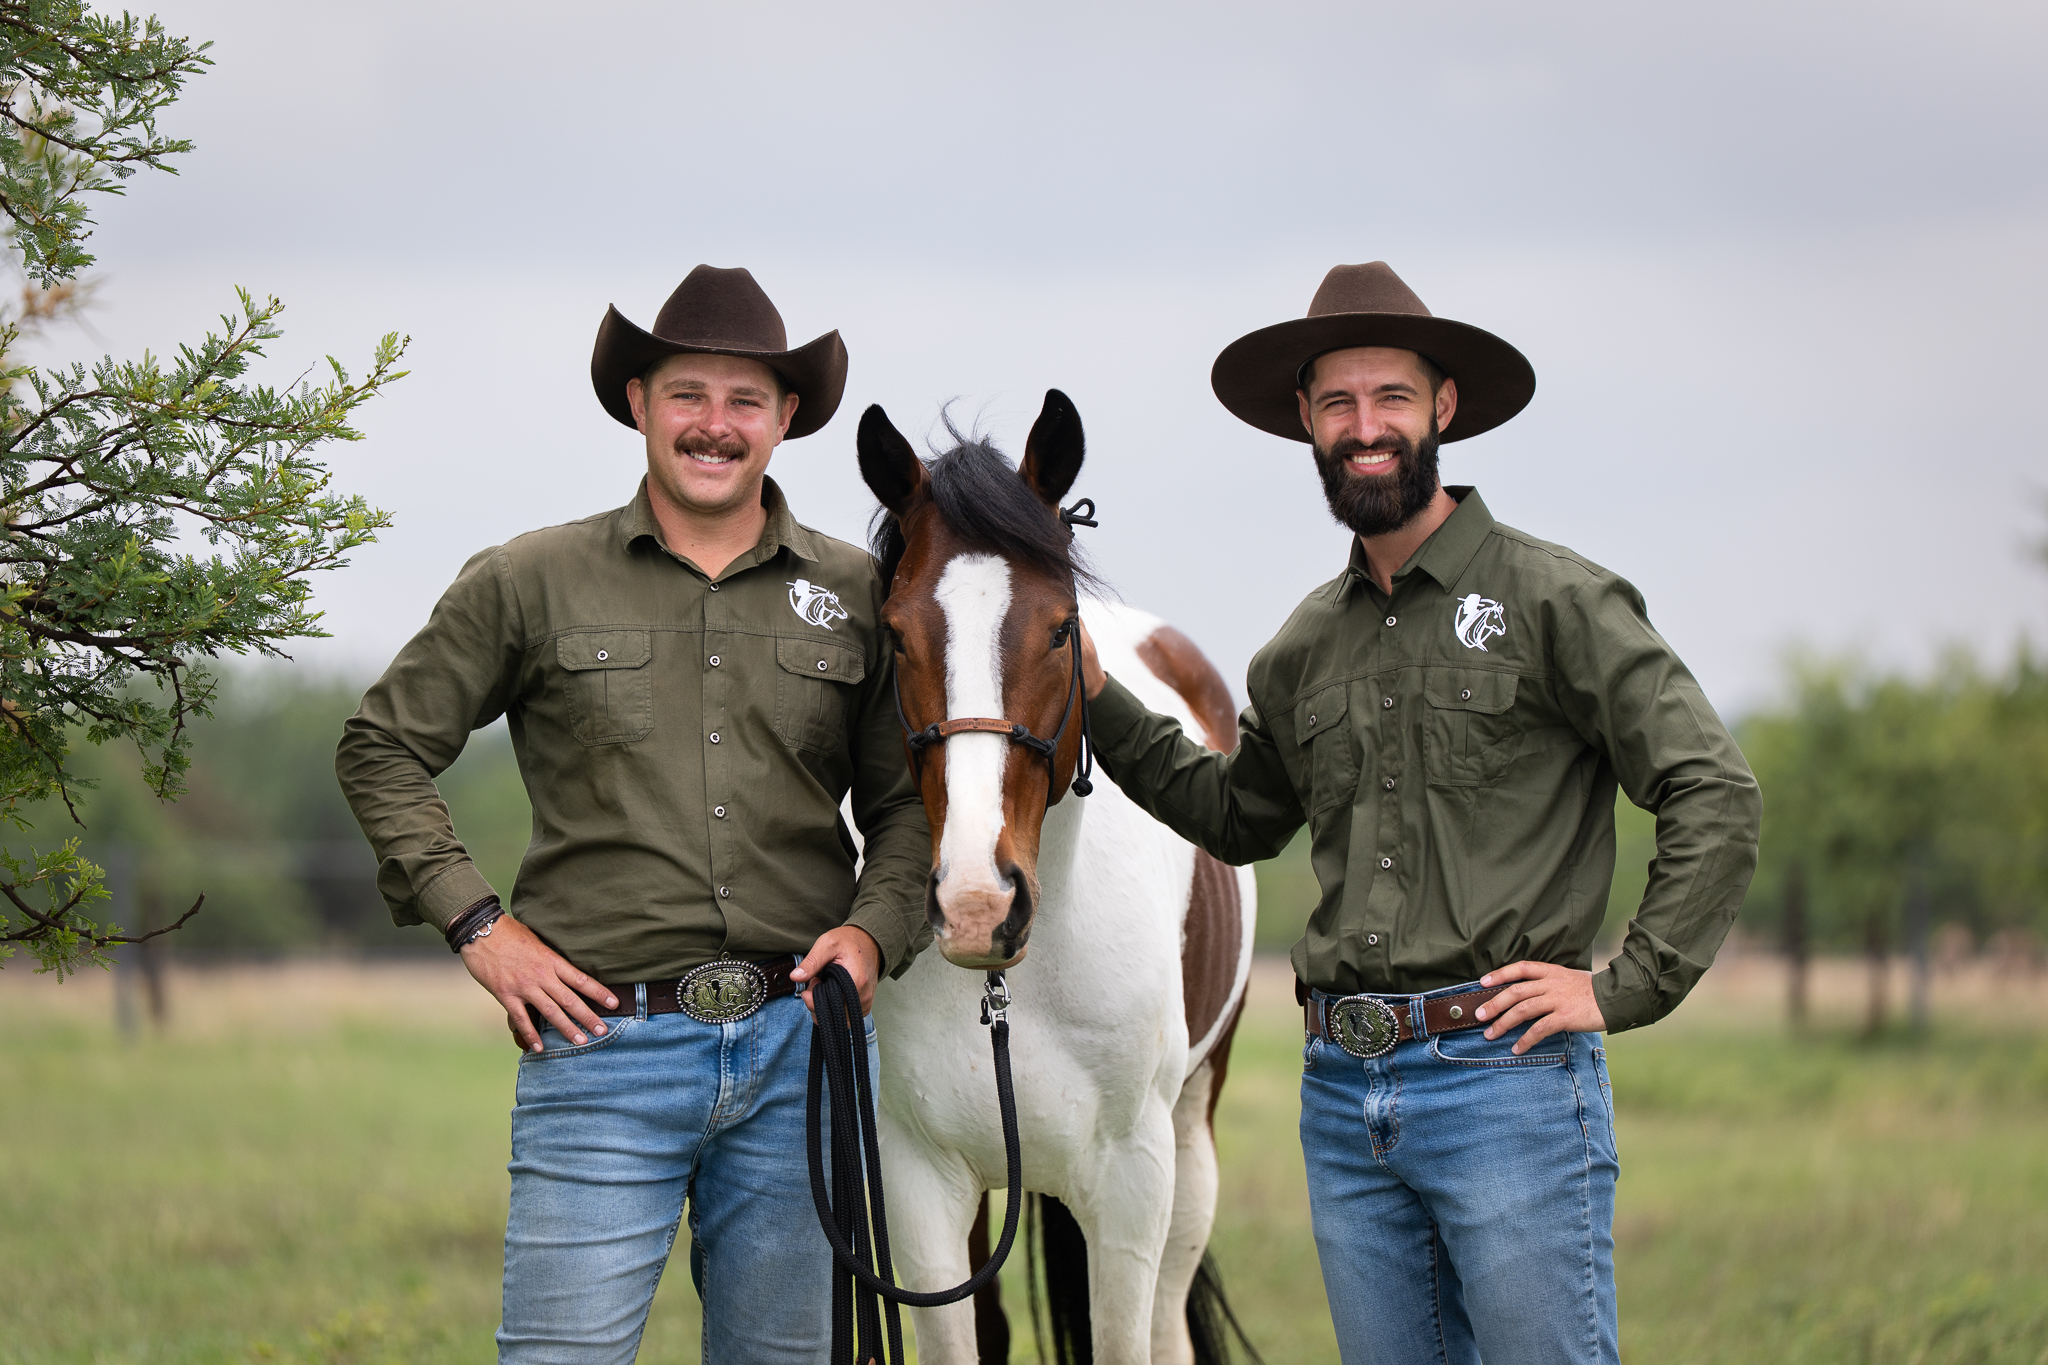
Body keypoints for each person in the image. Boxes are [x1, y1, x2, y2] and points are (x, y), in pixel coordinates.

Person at [1076, 261, 1761, 1364]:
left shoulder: (1554, 600)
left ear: (1442, 407)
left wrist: (1624, 985)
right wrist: (1092, 695)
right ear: (1304, 421)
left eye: (1390, 398)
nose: (1365, 427)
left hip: (1507, 1081)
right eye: (1337, 404)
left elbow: (1710, 789)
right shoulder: (1302, 649)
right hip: (1343, 1096)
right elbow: (1239, 817)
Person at [335, 265, 930, 1364]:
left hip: (804, 1052)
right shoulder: (528, 580)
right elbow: (382, 748)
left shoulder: (858, 593)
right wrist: (479, 925)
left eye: (745, 401)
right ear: (638, 405)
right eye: (688, 396)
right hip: (600, 1047)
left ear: (785, 418)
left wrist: (872, 931)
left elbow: (905, 806)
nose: (716, 425)